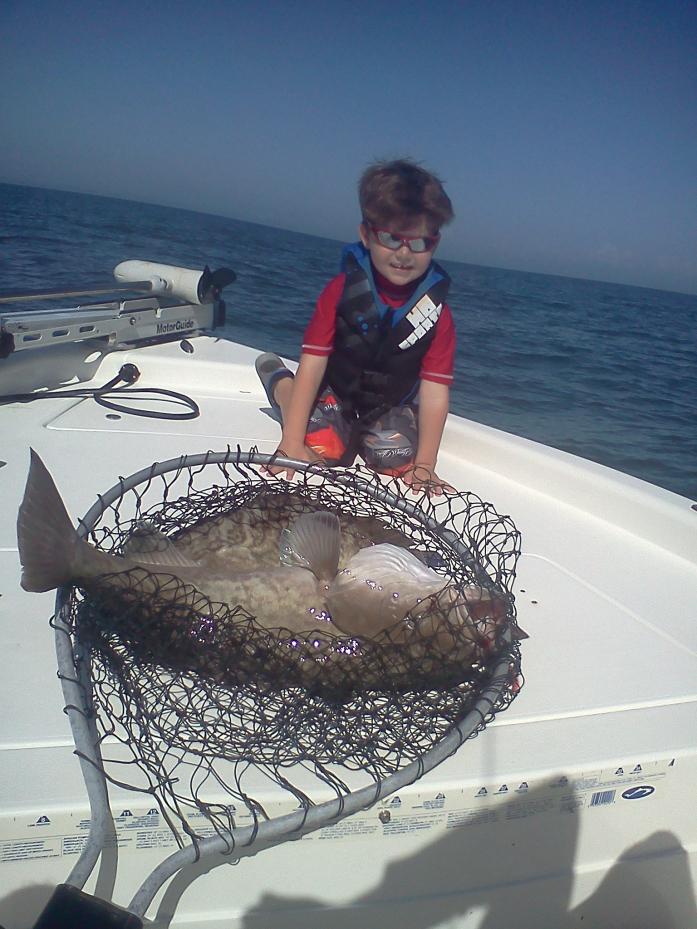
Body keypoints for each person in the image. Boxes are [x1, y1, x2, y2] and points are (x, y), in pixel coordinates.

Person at [256, 158, 456, 494]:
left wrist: (426, 464)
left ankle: (361, 430)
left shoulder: (438, 314)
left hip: (387, 404)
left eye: (419, 242)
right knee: (324, 449)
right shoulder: (339, 292)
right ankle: (279, 382)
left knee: (392, 458)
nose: (404, 254)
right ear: (366, 235)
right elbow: (314, 363)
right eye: (391, 238)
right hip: (335, 391)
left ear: (434, 244)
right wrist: (291, 441)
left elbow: (435, 391)